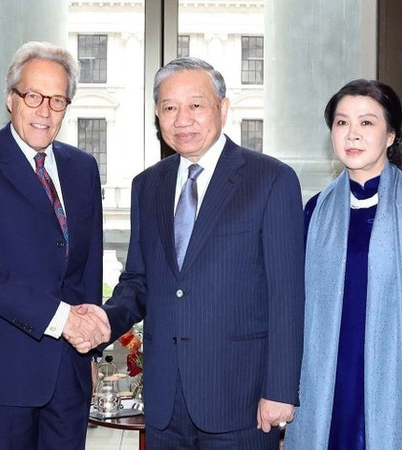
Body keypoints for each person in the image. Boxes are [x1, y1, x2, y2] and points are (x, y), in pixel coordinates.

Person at [74, 56, 306, 449]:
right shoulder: (147, 185)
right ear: (157, 116)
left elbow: (287, 294)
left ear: (223, 108)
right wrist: (103, 321)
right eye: (169, 108)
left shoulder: (270, 179)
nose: (182, 119)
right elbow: (138, 281)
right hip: (165, 403)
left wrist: (281, 389)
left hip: (242, 400)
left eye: (195, 105)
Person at [0, 41, 108, 450]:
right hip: (3, 373)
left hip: (69, 371)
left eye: (57, 100)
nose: (44, 111)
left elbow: (88, 267)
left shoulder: (83, 168)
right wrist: (62, 319)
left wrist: (89, 351)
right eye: (33, 96)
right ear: (10, 98)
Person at [283, 79, 402, 449]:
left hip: (398, 382)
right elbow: (293, 306)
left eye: (366, 122)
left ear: (391, 135)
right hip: (327, 383)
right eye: (342, 122)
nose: (352, 134)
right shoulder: (316, 211)